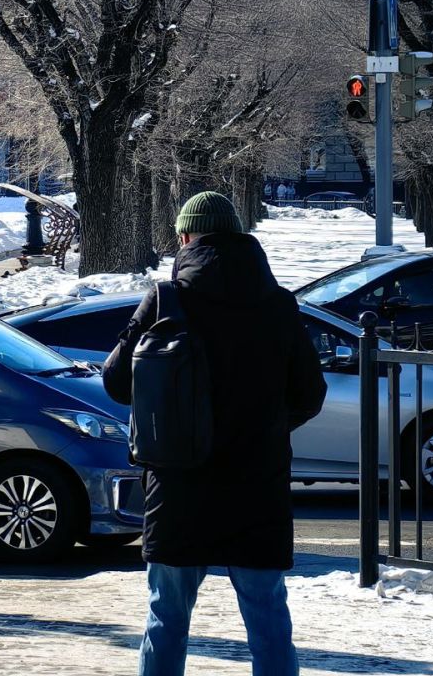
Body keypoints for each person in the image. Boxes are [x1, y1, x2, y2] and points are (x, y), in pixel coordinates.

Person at [102, 191, 326, 676]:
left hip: (178, 485)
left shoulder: (166, 299)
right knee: (267, 617)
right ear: (241, 236)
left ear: (186, 237)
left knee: (167, 617)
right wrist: (264, 426)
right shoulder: (278, 305)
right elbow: (310, 394)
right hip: (257, 484)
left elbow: (116, 383)